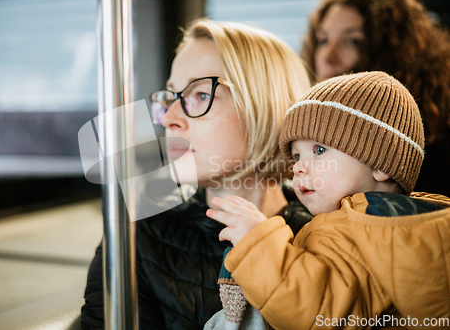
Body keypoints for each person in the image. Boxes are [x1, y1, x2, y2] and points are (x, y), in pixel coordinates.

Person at [81, 19, 313, 330]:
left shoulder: (331, 233)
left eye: (200, 95)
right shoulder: (137, 234)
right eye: (171, 97)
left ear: (264, 106)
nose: (170, 119)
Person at [206, 72, 450, 329]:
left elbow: (314, 312)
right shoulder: (384, 224)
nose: (298, 168)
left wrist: (257, 242)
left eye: (319, 150)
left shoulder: (367, 229)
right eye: (297, 156)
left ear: (380, 164)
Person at [301, 0, 450, 197]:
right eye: (323, 40)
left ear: (395, 52)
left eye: (352, 41)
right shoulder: (305, 136)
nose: (328, 56)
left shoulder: (430, 154)